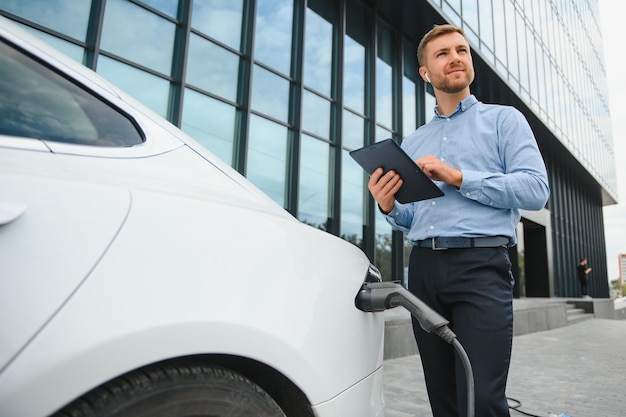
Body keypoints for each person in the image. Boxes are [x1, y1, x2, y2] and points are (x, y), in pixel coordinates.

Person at [367, 24, 550, 416]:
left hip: (481, 267)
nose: (455, 58)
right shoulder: (413, 142)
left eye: (461, 50)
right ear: (425, 73)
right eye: (443, 53)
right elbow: (412, 216)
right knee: (444, 399)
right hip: (425, 269)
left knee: (482, 398)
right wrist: (388, 207)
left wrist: (459, 177)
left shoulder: (504, 121)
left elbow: (536, 189)